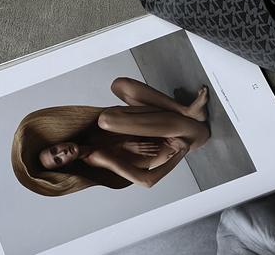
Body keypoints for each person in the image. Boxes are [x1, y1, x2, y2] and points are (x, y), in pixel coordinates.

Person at [11, 77, 210, 197]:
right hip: (191, 136)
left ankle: (185, 111)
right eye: (58, 160)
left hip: (178, 126)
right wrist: (181, 151)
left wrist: (124, 145)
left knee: (119, 86)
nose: (62, 152)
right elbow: (146, 181)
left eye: (55, 149)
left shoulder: (89, 139)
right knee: (106, 120)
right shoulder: (96, 157)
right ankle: (188, 114)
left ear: (56, 141)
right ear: (66, 166)